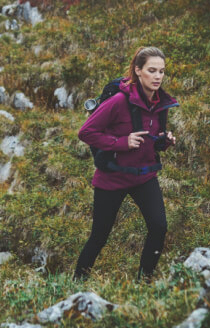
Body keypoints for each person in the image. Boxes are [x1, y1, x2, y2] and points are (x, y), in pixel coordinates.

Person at [74, 46, 178, 282]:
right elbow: (86, 132)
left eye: (161, 71)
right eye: (152, 70)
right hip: (112, 178)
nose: (158, 77)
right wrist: (122, 142)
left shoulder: (159, 102)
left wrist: (164, 141)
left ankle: (144, 283)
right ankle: (76, 285)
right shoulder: (119, 101)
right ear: (138, 70)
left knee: (159, 227)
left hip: (144, 177)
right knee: (99, 237)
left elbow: (151, 139)